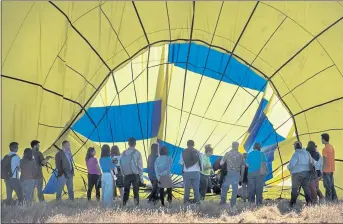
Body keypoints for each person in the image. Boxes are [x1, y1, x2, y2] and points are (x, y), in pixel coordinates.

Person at [220, 142, 245, 209]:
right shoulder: (241, 155)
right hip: (236, 174)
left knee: (225, 187)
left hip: (229, 174)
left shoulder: (227, 154)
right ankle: (233, 204)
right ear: (237, 146)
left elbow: (221, 163)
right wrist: (241, 176)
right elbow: (243, 166)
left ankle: (223, 202)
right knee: (235, 189)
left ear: (232, 146)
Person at [287, 141, 312, 207]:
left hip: (297, 173)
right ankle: (309, 203)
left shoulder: (296, 154)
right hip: (307, 173)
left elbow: (291, 165)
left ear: (295, 147)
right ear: (301, 146)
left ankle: (292, 204)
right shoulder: (307, 153)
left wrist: (288, 168)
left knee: (295, 189)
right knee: (306, 188)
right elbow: (311, 162)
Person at [120, 137, 144, 206]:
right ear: (135, 143)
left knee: (126, 192)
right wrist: (141, 179)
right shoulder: (137, 153)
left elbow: (120, 165)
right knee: (136, 192)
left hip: (126, 175)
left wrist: (123, 174)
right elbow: (140, 167)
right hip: (135, 175)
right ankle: (136, 206)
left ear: (128, 143)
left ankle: (124, 205)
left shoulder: (123, 153)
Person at [179, 140, 202, 204]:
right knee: (196, 189)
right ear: (194, 145)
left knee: (187, 189)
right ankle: (198, 203)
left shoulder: (183, 152)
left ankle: (186, 203)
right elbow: (201, 162)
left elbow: (181, 163)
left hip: (187, 172)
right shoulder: (197, 152)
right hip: (196, 172)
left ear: (187, 144)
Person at [321, 133, 337, 202]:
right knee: (332, 186)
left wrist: (322, 170)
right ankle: (335, 199)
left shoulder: (325, 149)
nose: (321, 140)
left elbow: (324, 161)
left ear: (324, 139)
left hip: (326, 170)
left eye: (321, 139)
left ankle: (328, 201)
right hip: (331, 169)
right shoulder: (331, 147)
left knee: (327, 187)